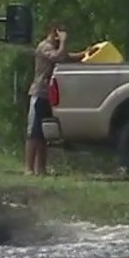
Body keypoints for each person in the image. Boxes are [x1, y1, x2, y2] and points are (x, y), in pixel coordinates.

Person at [25, 22, 85, 176]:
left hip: (49, 95)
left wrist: (86, 53)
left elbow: (67, 57)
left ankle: (41, 168)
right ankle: (29, 168)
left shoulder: (55, 48)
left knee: (44, 134)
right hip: (39, 93)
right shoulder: (44, 46)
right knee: (33, 133)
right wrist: (63, 41)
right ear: (54, 33)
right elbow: (58, 57)